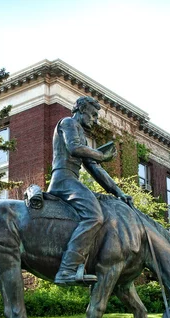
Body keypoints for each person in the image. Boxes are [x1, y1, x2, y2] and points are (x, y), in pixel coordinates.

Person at [48, 96, 133, 286]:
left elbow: (95, 168)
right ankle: (68, 269)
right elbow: (74, 148)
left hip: (71, 181)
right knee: (94, 216)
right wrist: (101, 155)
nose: (95, 120)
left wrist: (118, 192)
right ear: (80, 109)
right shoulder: (68, 123)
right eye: (93, 115)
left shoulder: (81, 134)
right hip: (63, 180)